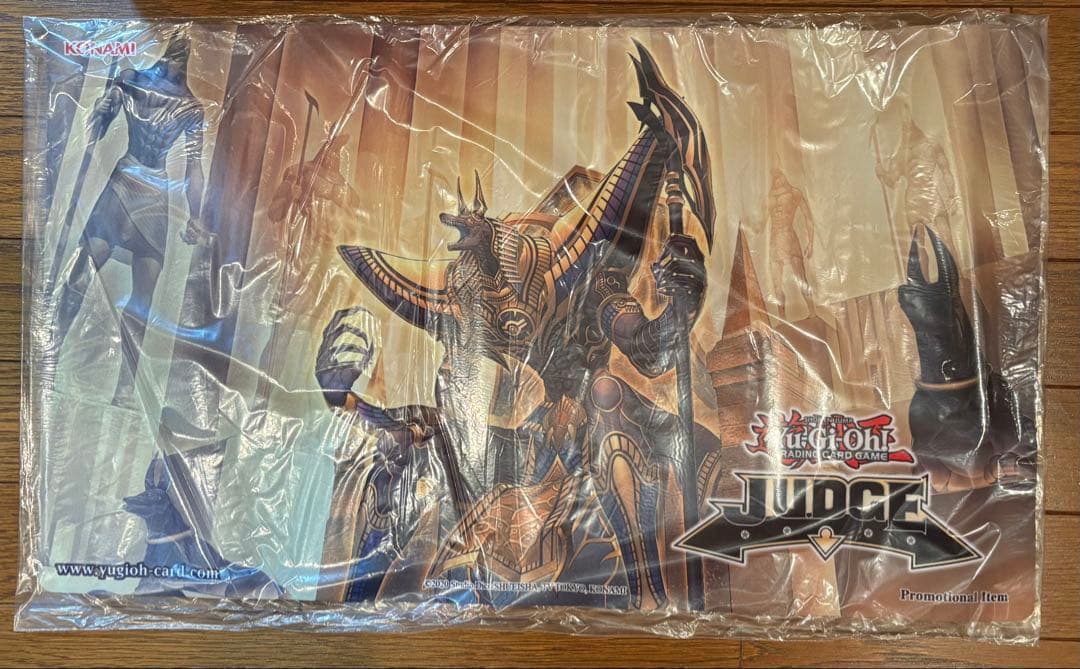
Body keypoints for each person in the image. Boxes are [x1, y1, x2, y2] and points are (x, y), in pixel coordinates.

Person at [52, 37, 206, 407]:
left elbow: (194, 167)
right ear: (168, 53)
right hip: (123, 182)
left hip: (155, 196)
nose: (176, 61)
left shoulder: (190, 107)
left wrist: (197, 215)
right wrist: (103, 110)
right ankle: (50, 353)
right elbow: (100, 122)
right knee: (82, 270)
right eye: (175, 53)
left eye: (183, 56)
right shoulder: (132, 79)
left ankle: (124, 387)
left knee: (143, 299)